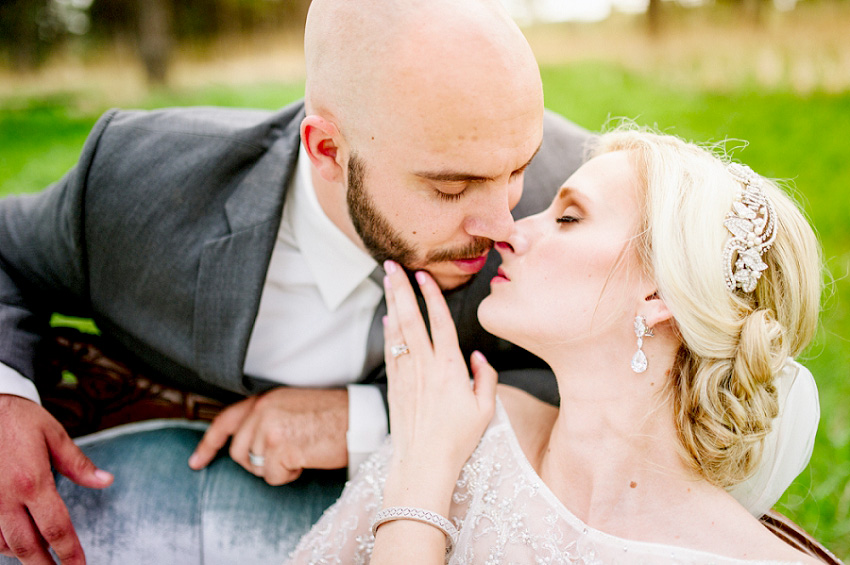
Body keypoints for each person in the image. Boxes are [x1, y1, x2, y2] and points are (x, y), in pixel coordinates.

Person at [0, 1, 817, 563]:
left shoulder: (570, 188)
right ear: (327, 151)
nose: (505, 223)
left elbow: (622, 382)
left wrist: (369, 420)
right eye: (453, 189)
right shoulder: (142, 181)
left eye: (520, 173)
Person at [286, 127, 823, 564]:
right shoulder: (464, 426)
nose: (510, 233)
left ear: (660, 293)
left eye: (568, 218)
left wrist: (418, 483)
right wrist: (423, 457)